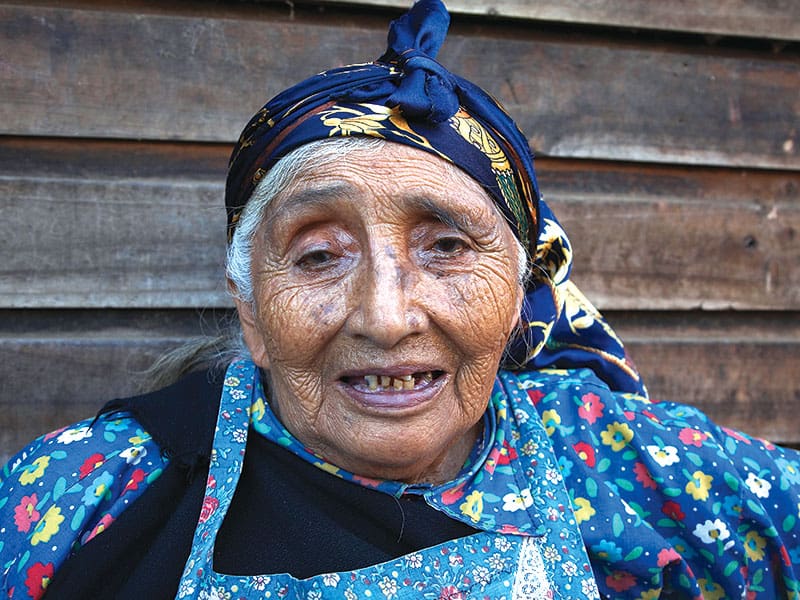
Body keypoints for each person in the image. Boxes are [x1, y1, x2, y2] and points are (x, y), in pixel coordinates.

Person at [1, 1, 798, 598]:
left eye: (447, 246)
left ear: (521, 294)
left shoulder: (619, 460)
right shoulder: (94, 489)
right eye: (318, 255)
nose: (386, 316)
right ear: (251, 311)